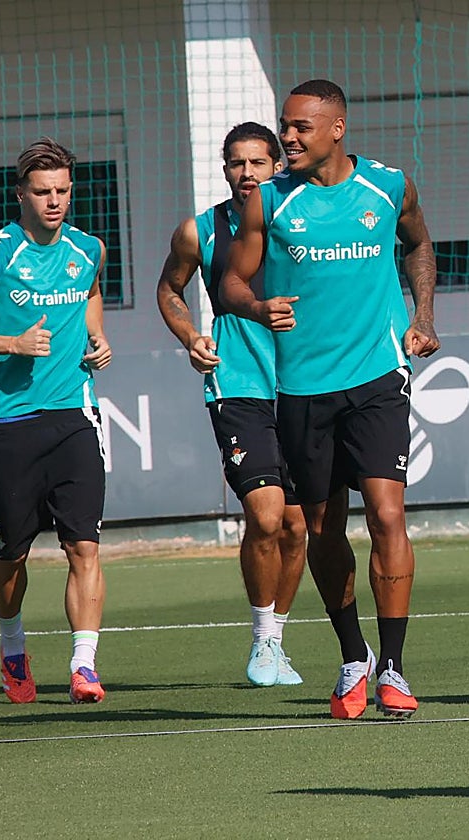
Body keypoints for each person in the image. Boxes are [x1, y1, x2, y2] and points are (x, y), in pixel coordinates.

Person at [219, 79, 439, 720]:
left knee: (387, 515)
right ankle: (352, 656)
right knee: (320, 526)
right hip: (299, 391)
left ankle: (393, 667)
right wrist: (259, 306)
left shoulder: (388, 185)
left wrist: (421, 312)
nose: (287, 137)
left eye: (300, 128)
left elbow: (418, 243)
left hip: (377, 377)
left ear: (337, 128)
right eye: (284, 127)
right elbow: (231, 281)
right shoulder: (268, 202)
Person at [156, 122, 308, 687]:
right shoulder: (201, 230)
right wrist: (191, 335)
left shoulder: (307, 219)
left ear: (277, 167)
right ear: (225, 169)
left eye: (258, 163)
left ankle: (278, 640)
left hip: (303, 387)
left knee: (297, 529)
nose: (247, 173)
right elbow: (169, 288)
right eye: (236, 163)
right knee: (266, 515)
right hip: (238, 386)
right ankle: (263, 640)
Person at [0, 138, 114, 704]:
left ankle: (84, 665)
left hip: (76, 415)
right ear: (20, 194)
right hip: (11, 421)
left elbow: (90, 294)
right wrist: (10, 342)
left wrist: (97, 335)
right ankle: (13, 647)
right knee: (11, 552)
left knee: (84, 546)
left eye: (61, 191)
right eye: (41, 192)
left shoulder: (89, 249)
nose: (53, 201)